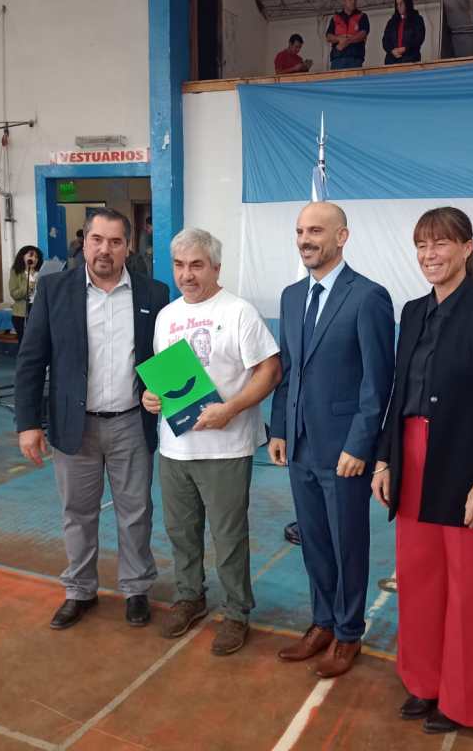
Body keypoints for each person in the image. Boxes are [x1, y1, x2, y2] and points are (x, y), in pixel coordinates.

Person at [371, 207, 473, 734]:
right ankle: (424, 682)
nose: (429, 254)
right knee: (418, 579)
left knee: (470, 591)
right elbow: (398, 394)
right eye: (422, 245)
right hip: (412, 456)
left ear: (467, 248)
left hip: (468, 462)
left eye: (440, 243)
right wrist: (386, 458)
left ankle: (463, 701)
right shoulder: (413, 311)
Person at [14, 208, 169, 631]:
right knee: (77, 512)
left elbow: (165, 354)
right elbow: (31, 360)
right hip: (74, 424)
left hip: (131, 422)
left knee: (136, 511)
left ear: (128, 247)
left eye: (115, 242)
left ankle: (136, 588)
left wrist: (175, 401)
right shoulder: (54, 290)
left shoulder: (153, 293)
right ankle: (79, 590)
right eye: (97, 240)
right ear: (84, 242)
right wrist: (28, 423)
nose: (105, 249)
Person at [269, 202, 394, 678]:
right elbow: (288, 370)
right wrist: (280, 428)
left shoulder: (368, 297)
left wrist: (360, 445)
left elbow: (377, 383)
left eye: (316, 231)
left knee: (347, 544)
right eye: (301, 231)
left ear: (342, 237)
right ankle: (322, 623)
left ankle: (348, 633)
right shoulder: (290, 297)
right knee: (315, 542)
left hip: (344, 450)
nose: (306, 239)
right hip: (300, 445)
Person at [142, 228, 280, 656]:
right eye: (180, 265)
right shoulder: (166, 316)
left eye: (197, 265)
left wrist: (231, 408)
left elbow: (270, 370)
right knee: (181, 532)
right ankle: (190, 597)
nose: (187, 274)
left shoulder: (239, 312)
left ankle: (237, 612)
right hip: (175, 448)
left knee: (228, 537)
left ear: (216, 268)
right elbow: (164, 378)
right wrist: (151, 397)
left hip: (226, 449)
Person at [325, 0, 370, 70]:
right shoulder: (335, 18)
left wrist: (347, 41)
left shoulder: (362, 16)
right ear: (343, 1)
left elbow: (363, 34)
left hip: (355, 58)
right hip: (337, 58)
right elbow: (328, 36)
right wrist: (339, 39)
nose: (353, 1)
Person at [8, 245, 42, 344]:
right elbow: (14, 294)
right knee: (25, 343)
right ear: (22, 256)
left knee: (38, 343)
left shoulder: (40, 273)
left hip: (39, 311)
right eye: (31, 255)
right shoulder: (16, 272)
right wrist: (27, 286)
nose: (34, 259)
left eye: (36, 257)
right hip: (22, 314)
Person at [382, 0, 425, 65]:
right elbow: (385, 40)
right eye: (397, 4)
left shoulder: (417, 19)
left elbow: (419, 38)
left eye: (401, 3)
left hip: (411, 59)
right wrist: (392, 51)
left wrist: (405, 48)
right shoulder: (391, 22)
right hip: (391, 61)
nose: (399, 6)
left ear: (407, 3)